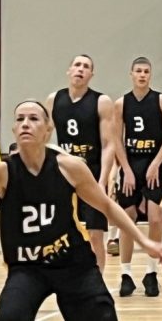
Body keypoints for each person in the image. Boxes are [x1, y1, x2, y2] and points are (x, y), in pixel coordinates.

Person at [0, 100, 162, 320]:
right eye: (20, 119)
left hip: (72, 263)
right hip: (27, 267)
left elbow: (107, 205)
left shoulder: (69, 167)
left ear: (48, 130)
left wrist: (145, 242)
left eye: (33, 118)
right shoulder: (4, 171)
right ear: (14, 129)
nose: (25, 124)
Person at [46, 54, 115, 271]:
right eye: (77, 65)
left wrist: (103, 180)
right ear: (69, 70)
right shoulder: (54, 99)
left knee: (95, 233)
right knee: (61, 232)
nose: (80, 69)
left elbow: (108, 144)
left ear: (91, 74)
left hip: (91, 173)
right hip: (64, 174)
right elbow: (44, 137)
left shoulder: (101, 101)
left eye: (86, 66)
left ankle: (98, 279)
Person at [113, 56, 162, 297]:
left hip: (154, 164)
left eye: (146, 71)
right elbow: (116, 139)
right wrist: (126, 170)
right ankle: (126, 274)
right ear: (131, 74)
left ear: (150, 75)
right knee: (127, 219)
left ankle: (151, 273)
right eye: (138, 71)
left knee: (155, 218)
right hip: (131, 165)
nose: (142, 75)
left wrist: (156, 163)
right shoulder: (121, 104)